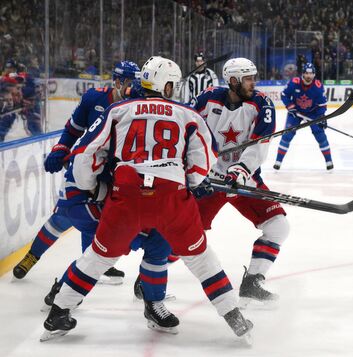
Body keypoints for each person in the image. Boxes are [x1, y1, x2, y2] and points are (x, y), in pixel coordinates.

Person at [41, 56, 252, 342]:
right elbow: (203, 161)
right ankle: (233, 316)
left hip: (125, 198)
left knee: (99, 257)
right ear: (166, 85)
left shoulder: (118, 110)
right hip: (171, 200)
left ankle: (58, 312)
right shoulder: (188, 115)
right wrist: (194, 182)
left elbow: (85, 155)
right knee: (201, 259)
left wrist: (94, 189)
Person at [12, 61, 141, 283]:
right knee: (63, 217)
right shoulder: (94, 98)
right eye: (130, 82)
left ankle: (92, 261)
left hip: (114, 173)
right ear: (117, 81)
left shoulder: (136, 105)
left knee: (101, 220)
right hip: (86, 168)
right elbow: (72, 130)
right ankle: (32, 257)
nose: (133, 87)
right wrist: (60, 149)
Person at [188, 57, 290, 306]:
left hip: (243, 180)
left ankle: (253, 281)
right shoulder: (206, 99)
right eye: (248, 79)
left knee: (278, 226)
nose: (253, 83)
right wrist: (198, 171)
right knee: (185, 235)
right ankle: (150, 276)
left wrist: (240, 171)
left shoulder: (262, 103)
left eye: (253, 77)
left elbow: (259, 145)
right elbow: (186, 131)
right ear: (232, 81)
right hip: (208, 181)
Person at [273, 62, 332, 171]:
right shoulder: (294, 83)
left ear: (314, 75)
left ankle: (329, 161)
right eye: (306, 73)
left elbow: (322, 105)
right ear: (303, 74)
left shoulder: (318, 87)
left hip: (313, 113)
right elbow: (284, 95)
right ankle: (278, 161)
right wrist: (290, 107)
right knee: (287, 135)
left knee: (320, 135)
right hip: (296, 112)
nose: (308, 76)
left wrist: (321, 117)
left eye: (311, 73)